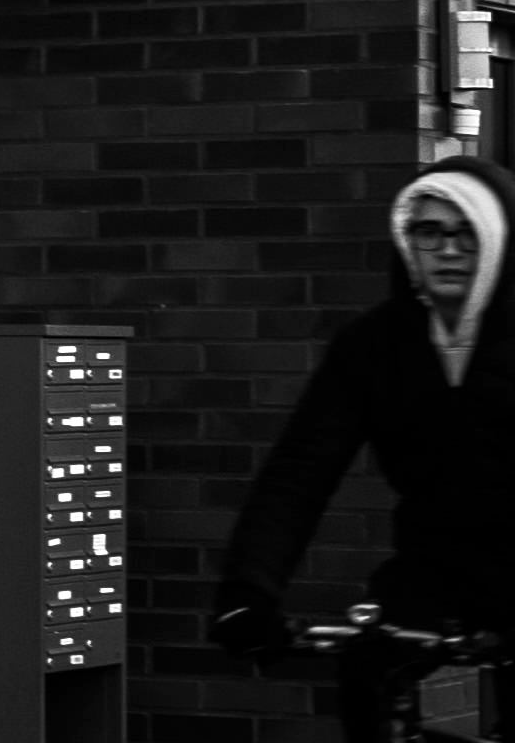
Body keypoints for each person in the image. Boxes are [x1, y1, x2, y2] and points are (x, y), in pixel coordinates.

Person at [216, 164, 515, 654]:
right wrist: (248, 591)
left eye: (468, 232)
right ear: (407, 242)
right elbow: (300, 471)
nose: (448, 250)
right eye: (430, 232)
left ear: (497, 240)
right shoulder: (374, 344)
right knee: (371, 664)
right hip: (430, 571)